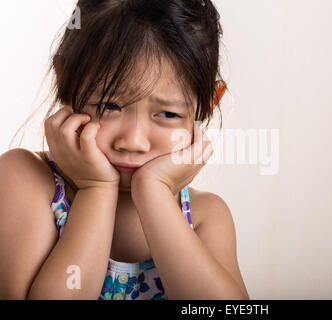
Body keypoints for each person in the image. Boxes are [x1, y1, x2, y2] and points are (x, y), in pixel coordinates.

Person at [0, 0, 249, 300]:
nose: (132, 141)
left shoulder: (205, 217)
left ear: (206, 106)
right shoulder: (26, 182)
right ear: (64, 81)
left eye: (167, 114)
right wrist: (96, 189)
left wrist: (154, 193)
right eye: (109, 106)